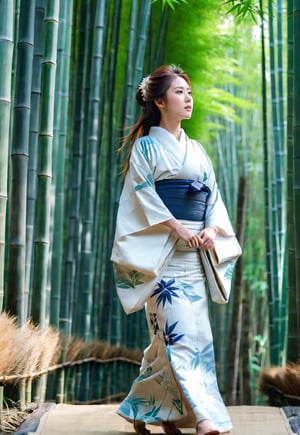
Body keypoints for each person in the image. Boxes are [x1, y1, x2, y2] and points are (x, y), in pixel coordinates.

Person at [111, 65, 236, 435]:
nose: (188, 98)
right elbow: (143, 195)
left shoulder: (196, 150)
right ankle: (204, 418)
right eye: (179, 92)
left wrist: (212, 229)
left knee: (177, 341)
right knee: (183, 338)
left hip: (195, 256)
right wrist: (178, 227)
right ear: (160, 101)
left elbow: (213, 197)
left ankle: (144, 409)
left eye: (189, 92)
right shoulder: (146, 147)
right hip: (163, 256)